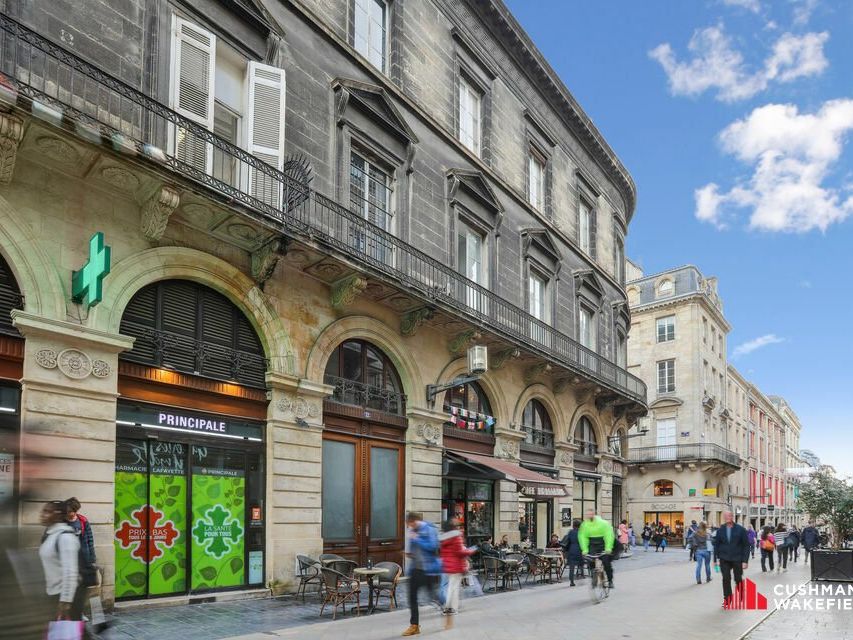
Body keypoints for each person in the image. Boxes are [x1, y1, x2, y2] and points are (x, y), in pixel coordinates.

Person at [38, 500, 84, 623]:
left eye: (47, 511)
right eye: (43, 511)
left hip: (65, 596)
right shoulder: (50, 534)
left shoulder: (65, 537)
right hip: (53, 593)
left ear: (58, 515)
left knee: (69, 632)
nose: (42, 514)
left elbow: (71, 572)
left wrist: (66, 601)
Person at [402, 511, 441, 637]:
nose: (408, 527)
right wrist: (408, 552)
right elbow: (412, 551)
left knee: (432, 595)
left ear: (413, 521)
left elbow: (432, 546)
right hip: (415, 569)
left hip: (427, 569)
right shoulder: (413, 531)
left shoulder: (428, 529)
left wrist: (417, 539)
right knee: (412, 597)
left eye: (409, 524)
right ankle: (414, 626)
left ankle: (443, 602)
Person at [439, 519, 474, 630]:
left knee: (450, 587)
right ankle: (450, 607)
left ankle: (451, 607)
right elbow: (461, 552)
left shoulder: (443, 538)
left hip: (447, 565)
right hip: (456, 565)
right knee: (454, 588)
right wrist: (471, 550)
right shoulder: (456, 537)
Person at [713, 510, 750, 608]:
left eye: (729, 515)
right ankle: (727, 599)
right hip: (724, 558)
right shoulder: (720, 530)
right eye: (725, 516)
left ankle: (742, 595)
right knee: (726, 578)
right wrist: (715, 560)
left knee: (738, 578)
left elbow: (746, 545)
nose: (727, 517)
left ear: (732, 516)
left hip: (737, 558)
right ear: (724, 517)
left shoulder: (740, 529)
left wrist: (745, 561)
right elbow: (716, 545)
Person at [578, 509, 615, 588]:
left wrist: (608, 547)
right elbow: (582, 537)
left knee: (606, 562)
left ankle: (610, 580)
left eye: (590, 514)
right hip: (592, 544)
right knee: (590, 560)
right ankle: (594, 576)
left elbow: (609, 535)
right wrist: (584, 549)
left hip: (603, 543)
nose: (589, 516)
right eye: (587, 514)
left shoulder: (603, 523)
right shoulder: (584, 525)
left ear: (594, 514)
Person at [560, 519, 585, 586]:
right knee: (581, 562)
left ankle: (571, 581)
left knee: (572, 567)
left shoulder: (571, 532)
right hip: (579, 550)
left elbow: (567, 540)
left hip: (572, 550)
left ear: (573, 525)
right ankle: (581, 574)